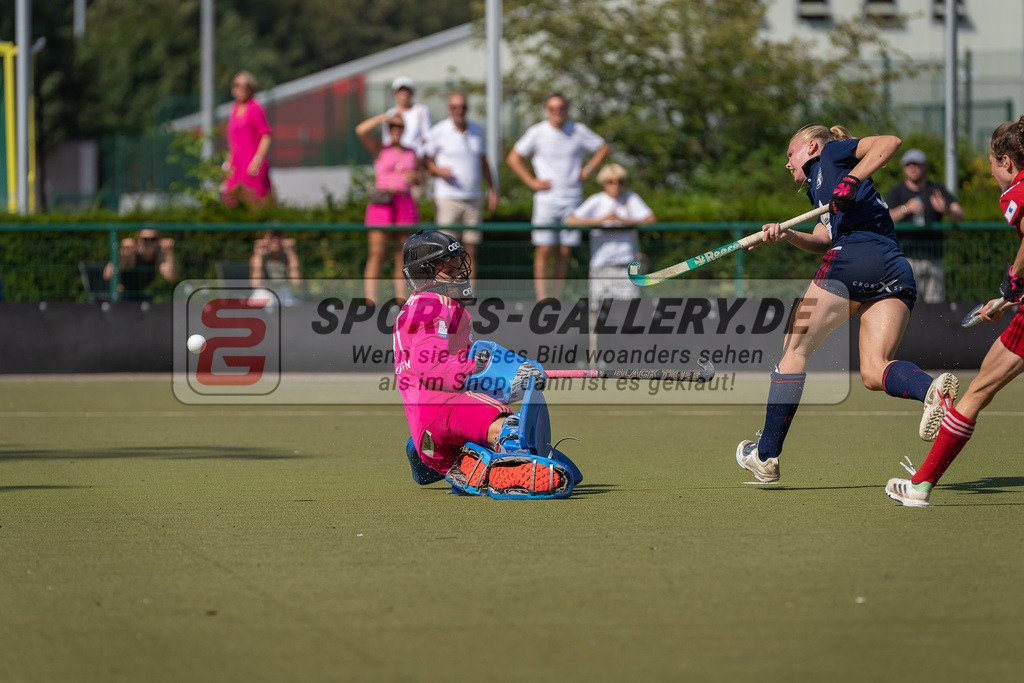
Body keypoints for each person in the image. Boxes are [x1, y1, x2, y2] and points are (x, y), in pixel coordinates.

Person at [735, 125, 959, 485]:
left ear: (809, 147)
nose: (787, 164)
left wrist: (852, 179)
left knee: (793, 348)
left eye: (790, 155)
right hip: (894, 268)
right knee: (873, 370)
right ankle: (930, 391)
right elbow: (825, 237)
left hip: (854, 258)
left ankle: (765, 456)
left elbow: (890, 143)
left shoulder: (832, 154)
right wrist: (788, 235)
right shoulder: (818, 188)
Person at [885, 119, 1024, 507]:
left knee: (977, 392)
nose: (993, 172)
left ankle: (920, 486)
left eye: (993, 164)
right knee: (980, 388)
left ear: (1007, 161)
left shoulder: (1018, 191)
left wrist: (1013, 279)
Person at [394, 230, 582, 499]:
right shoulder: (434, 304)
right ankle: (505, 466)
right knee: (519, 435)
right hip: (447, 409)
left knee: (570, 472)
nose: (460, 272)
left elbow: (457, 362)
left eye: (460, 264)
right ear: (428, 272)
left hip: (429, 431)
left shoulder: (418, 305)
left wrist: (516, 372)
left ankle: (430, 452)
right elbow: (432, 368)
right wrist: (480, 369)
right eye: (451, 266)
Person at [507, 93, 609, 300]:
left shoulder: (577, 130)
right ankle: (541, 299)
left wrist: (588, 169)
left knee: (564, 252)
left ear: (567, 109)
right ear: (546, 110)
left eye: (561, 108)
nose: (557, 112)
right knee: (544, 249)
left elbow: (603, 147)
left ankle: (556, 298)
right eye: (553, 108)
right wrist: (531, 182)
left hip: (572, 199)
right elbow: (513, 158)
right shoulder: (537, 132)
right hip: (546, 200)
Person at [423, 92, 499, 286]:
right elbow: (426, 161)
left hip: (473, 197)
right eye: (455, 107)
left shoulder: (477, 130)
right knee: (446, 250)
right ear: (449, 109)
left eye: (463, 107)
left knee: (471, 249)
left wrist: (492, 189)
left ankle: (468, 294)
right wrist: (439, 170)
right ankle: (447, 293)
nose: (459, 111)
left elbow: (483, 162)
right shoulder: (439, 130)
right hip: (448, 198)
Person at [356, 111, 423, 302]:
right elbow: (360, 130)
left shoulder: (411, 152)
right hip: (382, 203)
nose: (396, 130)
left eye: (399, 126)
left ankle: (401, 299)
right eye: (392, 126)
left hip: (404, 202)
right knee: (377, 253)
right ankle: (371, 299)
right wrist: (385, 117)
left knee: (403, 253)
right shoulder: (380, 148)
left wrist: (416, 177)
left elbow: (419, 178)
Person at [566, 163, 655, 305]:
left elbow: (650, 219)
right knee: (598, 307)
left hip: (626, 263)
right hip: (601, 264)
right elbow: (571, 220)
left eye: (620, 181)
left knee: (628, 308)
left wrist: (624, 221)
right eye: (611, 181)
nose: (616, 185)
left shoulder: (630, 198)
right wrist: (601, 221)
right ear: (603, 182)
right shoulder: (596, 200)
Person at [885, 149, 965, 303]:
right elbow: (885, 218)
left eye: (916, 164)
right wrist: (905, 209)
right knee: (908, 305)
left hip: (933, 259)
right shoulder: (896, 191)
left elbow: (960, 214)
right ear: (904, 168)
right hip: (905, 259)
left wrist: (946, 209)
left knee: (935, 308)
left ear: (924, 167)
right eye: (909, 164)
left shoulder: (936, 189)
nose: (912, 168)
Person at [223, 70, 273, 207]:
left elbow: (266, 136)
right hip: (236, 165)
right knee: (231, 200)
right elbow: (232, 141)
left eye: (245, 86)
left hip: (251, 165)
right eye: (237, 85)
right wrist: (227, 163)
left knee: (256, 203)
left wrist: (257, 160)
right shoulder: (234, 109)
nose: (241, 89)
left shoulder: (255, 108)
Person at [103, 228, 179, 301]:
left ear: (158, 241)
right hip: (120, 297)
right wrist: (123, 253)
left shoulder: (158, 256)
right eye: (144, 239)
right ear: (138, 241)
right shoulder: (130, 253)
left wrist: (169, 253)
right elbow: (107, 274)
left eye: (153, 239)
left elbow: (171, 277)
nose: (148, 243)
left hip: (140, 296)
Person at [384, 77, 432, 159]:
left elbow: (427, 136)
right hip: (396, 158)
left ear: (412, 93)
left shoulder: (421, 110)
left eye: (406, 90)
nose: (404, 94)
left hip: (416, 159)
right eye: (400, 91)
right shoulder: (390, 113)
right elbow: (387, 139)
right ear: (395, 94)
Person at [250, 230, 301, 305]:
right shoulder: (260, 256)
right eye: (272, 237)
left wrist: (292, 254)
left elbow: (296, 282)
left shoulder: (288, 255)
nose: (275, 240)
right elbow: (255, 283)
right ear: (266, 239)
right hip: (264, 290)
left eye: (279, 237)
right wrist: (258, 255)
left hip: (282, 290)